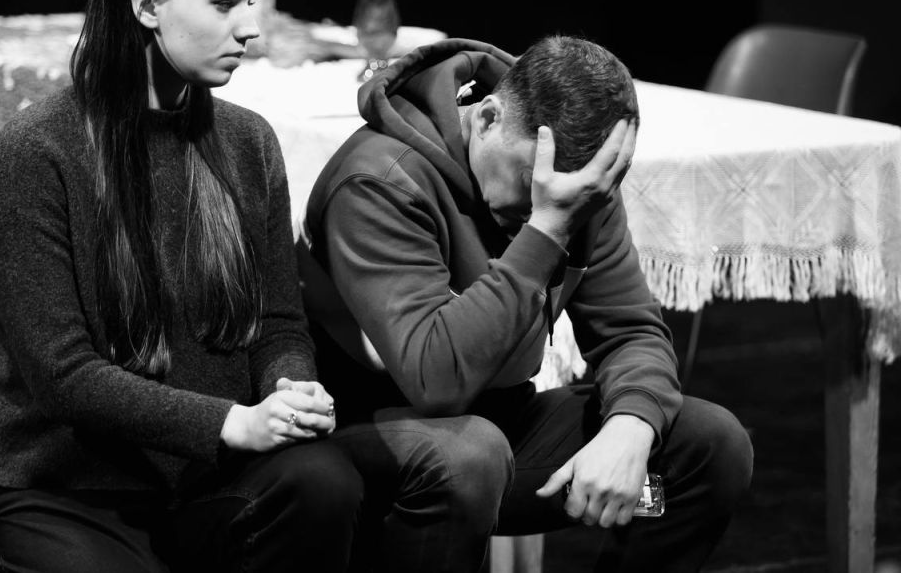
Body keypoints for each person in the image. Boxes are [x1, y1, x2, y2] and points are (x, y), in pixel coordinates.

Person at [0, 0, 361, 572]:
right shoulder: (36, 151)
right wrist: (229, 422)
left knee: (325, 482)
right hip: (69, 488)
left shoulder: (247, 141)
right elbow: (64, 376)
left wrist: (287, 388)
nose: (250, 29)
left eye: (250, 4)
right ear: (147, 6)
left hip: (204, 476)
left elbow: (278, 322)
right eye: (224, 4)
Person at [299, 35, 754, 571]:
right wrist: (548, 226)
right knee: (469, 454)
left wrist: (632, 425)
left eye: (563, 195)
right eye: (529, 180)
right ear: (488, 119)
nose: (541, 197)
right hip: (364, 434)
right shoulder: (380, 180)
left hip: (497, 425)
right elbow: (435, 380)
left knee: (709, 444)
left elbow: (631, 331)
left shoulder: (579, 185)